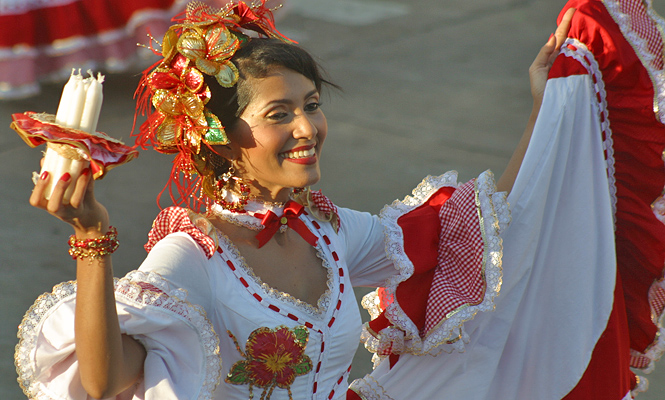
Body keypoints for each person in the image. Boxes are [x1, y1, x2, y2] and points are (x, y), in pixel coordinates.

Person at [14, 2, 574, 399]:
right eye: (279, 114)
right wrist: (92, 241)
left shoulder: (328, 232)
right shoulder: (194, 257)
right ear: (220, 137)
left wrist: (541, 110)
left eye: (311, 104)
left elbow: (476, 228)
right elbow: (105, 382)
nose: (308, 127)